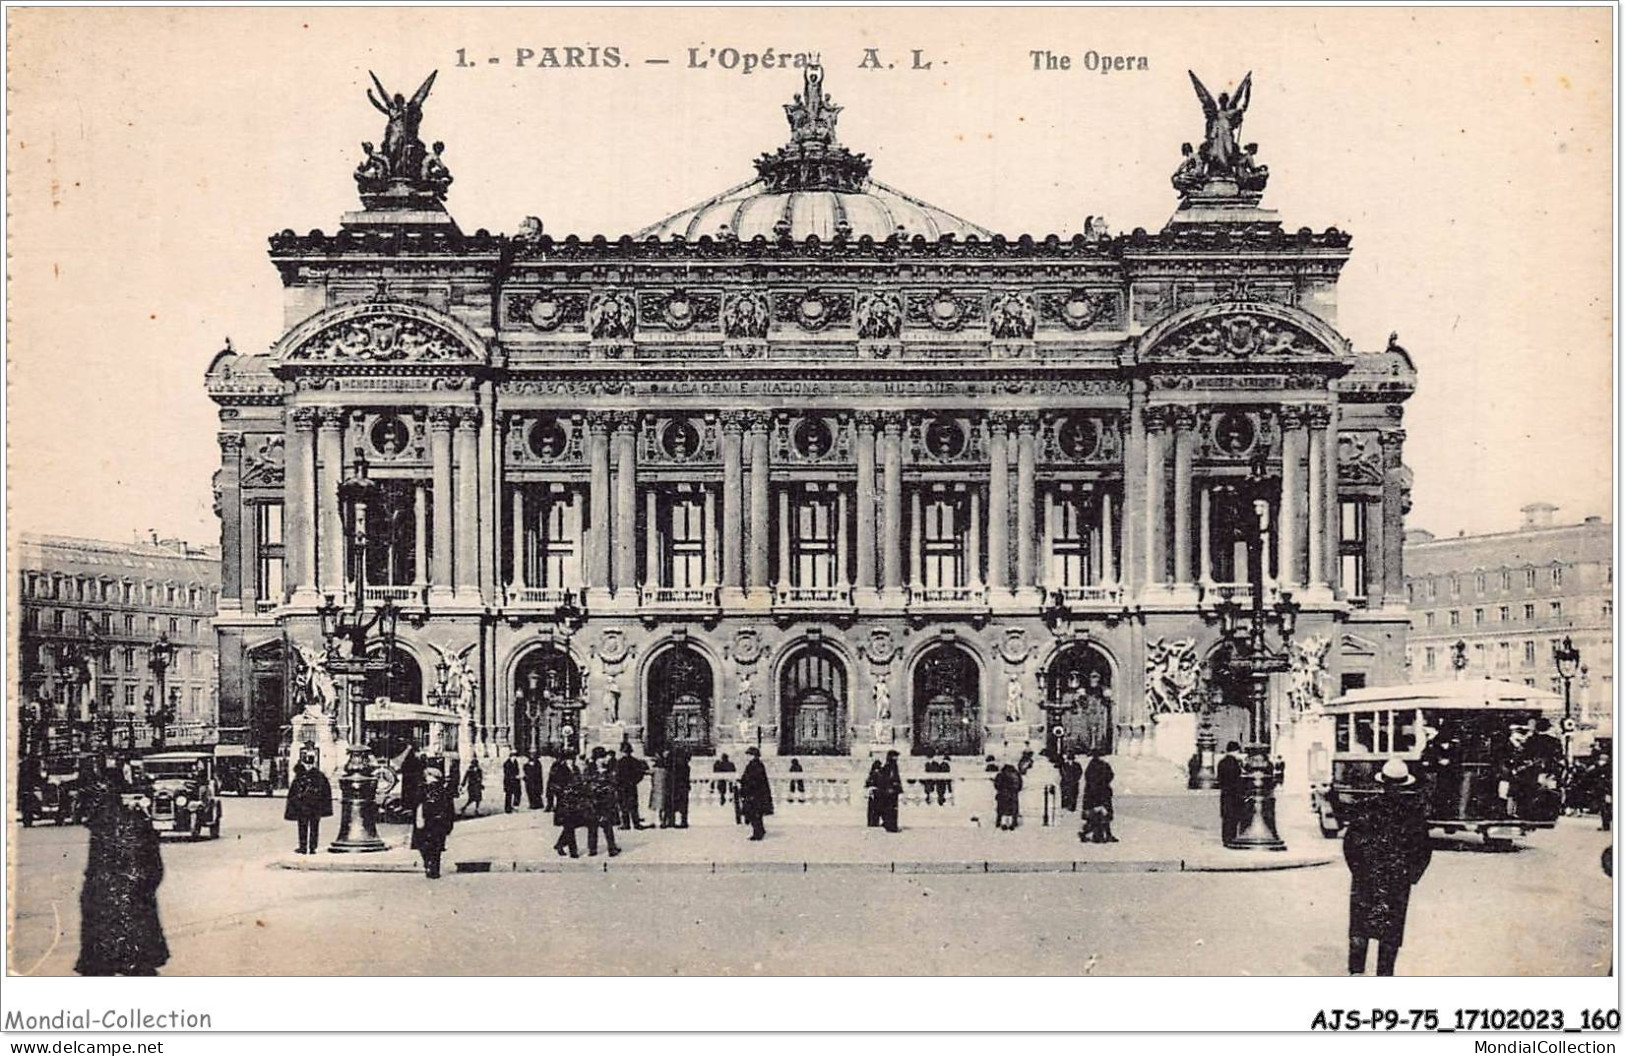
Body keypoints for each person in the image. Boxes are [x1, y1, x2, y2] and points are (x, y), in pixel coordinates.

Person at [1343, 758, 1433, 976]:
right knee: (1390, 930)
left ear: (1382, 782)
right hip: (1397, 879)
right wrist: (1410, 876)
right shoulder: (1414, 813)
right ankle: (1384, 975)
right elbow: (1423, 850)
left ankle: (1356, 973)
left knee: (1360, 927)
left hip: (1366, 876)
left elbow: (1350, 844)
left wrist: (1358, 871)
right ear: (1405, 783)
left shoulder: (1365, 807)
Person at [76, 764, 168, 976]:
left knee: (101, 966)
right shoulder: (137, 821)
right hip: (131, 903)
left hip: (105, 903)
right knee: (138, 965)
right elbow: (154, 867)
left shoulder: (101, 827)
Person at [411, 767, 457, 880]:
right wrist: (449, 825)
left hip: (426, 821)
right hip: (438, 822)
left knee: (425, 845)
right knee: (436, 847)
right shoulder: (443, 790)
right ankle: (434, 867)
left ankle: (428, 864)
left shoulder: (422, 789)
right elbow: (450, 809)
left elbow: (416, 805)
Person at [284, 759, 333, 854]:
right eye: (307, 764)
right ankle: (306, 847)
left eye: (310, 764)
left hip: (311, 806)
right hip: (307, 806)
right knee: (306, 826)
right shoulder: (307, 775)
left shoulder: (317, 776)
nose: (308, 766)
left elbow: (325, 791)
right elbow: (294, 791)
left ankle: (310, 847)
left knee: (311, 827)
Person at [583, 750, 621, 857]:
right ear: (596, 759)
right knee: (592, 826)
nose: (604, 760)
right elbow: (585, 784)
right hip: (593, 802)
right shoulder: (589, 770)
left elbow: (613, 784)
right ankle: (592, 849)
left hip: (606, 802)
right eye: (601, 758)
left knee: (607, 826)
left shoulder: (608, 770)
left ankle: (611, 848)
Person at [1080, 749, 1117, 843]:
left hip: (1099, 792)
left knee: (1102, 815)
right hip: (1097, 793)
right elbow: (1108, 776)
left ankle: (1104, 834)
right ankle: (1096, 835)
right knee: (1098, 815)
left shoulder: (1097, 765)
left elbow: (1110, 775)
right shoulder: (1096, 766)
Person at [737, 746, 773, 841]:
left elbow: (754, 780)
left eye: (749, 754)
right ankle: (760, 830)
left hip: (755, 794)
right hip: (756, 793)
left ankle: (758, 833)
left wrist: (745, 785)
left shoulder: (755, 765)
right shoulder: (755, 764)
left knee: (754, 813)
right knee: (756, 814)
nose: (747, 756)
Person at [552, 754, 583, 858]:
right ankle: (573, 851)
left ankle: (560, 844)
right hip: (564, 803)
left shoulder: (576, 769)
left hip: (575, 802)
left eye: (573, 759)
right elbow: (554, 785)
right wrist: (563, 791)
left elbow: (580, 783)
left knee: (571, 826)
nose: (571, 762)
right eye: (569, 760)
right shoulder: (560, 770)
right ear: (565, 760)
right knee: (569, 826)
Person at [615, 744, 649, 829]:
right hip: (631, 786)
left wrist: (618, 783)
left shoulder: (619, 762)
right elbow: (640, 774)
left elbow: (616, 775)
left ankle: (626, 824)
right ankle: (636, 823)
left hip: (622, 786)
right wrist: (634, 782)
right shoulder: (635, 761)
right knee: (633, 805)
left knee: (623, 805)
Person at [1217, 741, 1244, 844]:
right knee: (1234, 817)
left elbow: (1219, 778)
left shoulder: (1221, 762)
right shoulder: (1235, 763)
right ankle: (1232, 838)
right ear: (1236, 751)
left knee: (1226, 817)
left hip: (1225, 793)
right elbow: (1237, 780)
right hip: (1235, 794)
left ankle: (1226, 839)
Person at [873, 750, 904, 832]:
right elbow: (892, 778)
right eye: (895, 757)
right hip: (890, 791)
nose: (896, 758)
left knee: (891, 809)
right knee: (891, 809)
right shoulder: (891, 766)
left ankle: (890, 825)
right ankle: (891, 826)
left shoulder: (890, 765)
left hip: (890, 791)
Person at [398, 744, 426, 818]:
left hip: (412, 776)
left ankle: (409, 807)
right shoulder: (414, 756)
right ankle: (408, 806)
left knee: (411, 792)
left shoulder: (413, 757)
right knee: (409, 791)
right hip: (410, 776)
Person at [993, 763, 1023, 831]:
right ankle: (1013, 823)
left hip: (1003, 794)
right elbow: (1020, 785)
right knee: (1013, 810)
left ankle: (1001, 823)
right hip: (1013, 795)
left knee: (1001, 810)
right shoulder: (1016, 774)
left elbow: (997, 785)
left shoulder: (1001, 774)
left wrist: (1001, 789)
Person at [669, 748, 692, 828]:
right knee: (683, 805)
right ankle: (683, 821)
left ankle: (673, 821)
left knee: (675, 805)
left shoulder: (675, 766)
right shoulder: (685, 766)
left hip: (677, 787)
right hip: (682, 787)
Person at [650, 751, 671, 827]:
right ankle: (663, 821)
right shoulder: (666, 770)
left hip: (656, 790)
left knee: (656, 807)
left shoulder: (655, 770)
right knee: (663, 807)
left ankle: (656, 821)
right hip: (663, 789)